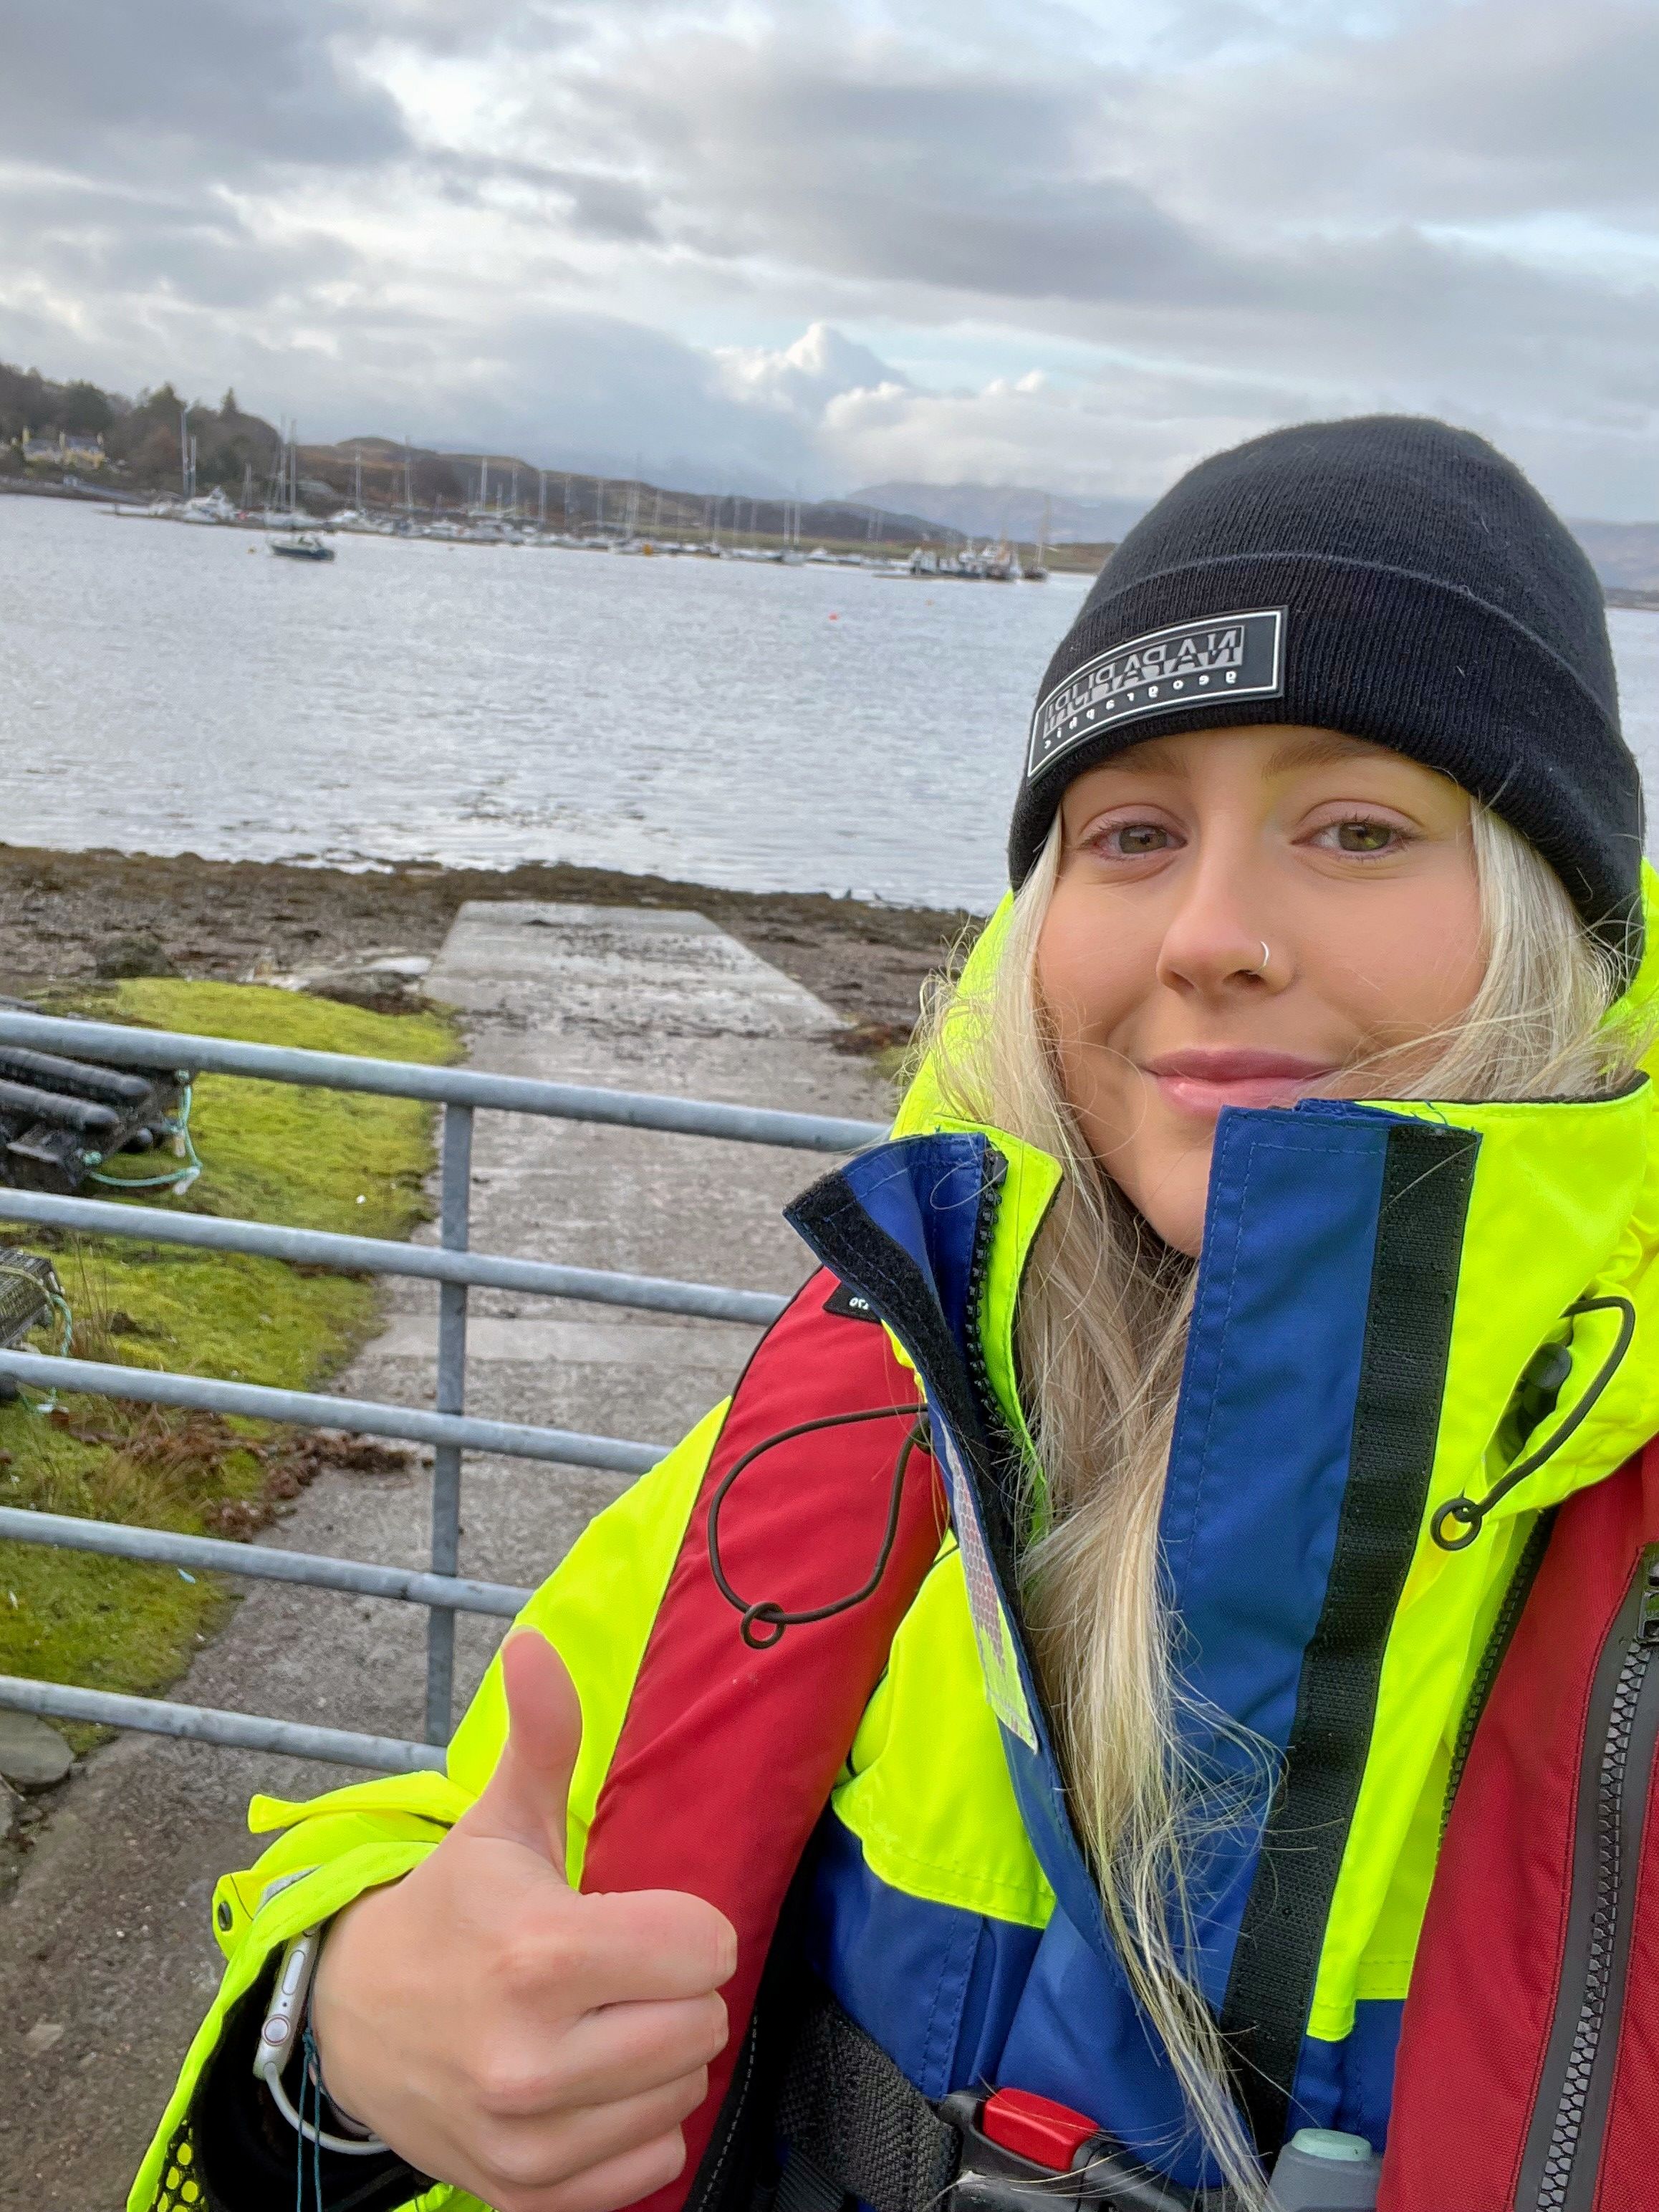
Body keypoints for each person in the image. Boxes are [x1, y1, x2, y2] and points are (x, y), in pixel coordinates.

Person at [135, 417, 1659, 2212]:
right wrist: (353, 2031)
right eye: (1132, 832)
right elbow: (461, 1852)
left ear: (1559, 921)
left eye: (1356, 826)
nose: (1213, 932)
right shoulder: (875, 1396)